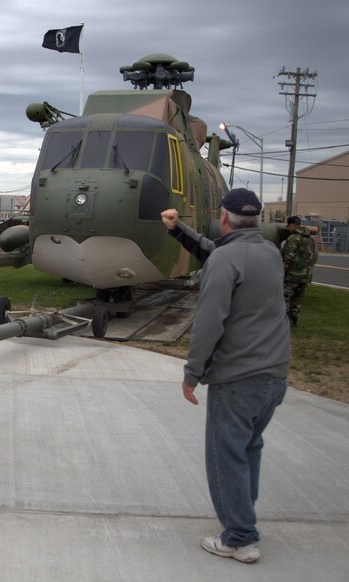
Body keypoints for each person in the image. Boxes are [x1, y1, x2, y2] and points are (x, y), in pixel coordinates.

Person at [163, 189, 292, 564]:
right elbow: (220, 255)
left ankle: (239, 537)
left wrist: (192, 373)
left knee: (225, 455)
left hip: (238, 377)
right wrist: (179, 230)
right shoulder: (269, 253)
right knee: (248, 449)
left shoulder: (227, 258)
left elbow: (208, 322)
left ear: (223, 217)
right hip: (274, 375)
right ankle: (242, 518)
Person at [281, 215, 318, 327]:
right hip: (304, 276)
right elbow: (312, 258)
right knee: (297, 301)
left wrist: (282, 271)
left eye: (289, 226)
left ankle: (285, 323)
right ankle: (294, 321)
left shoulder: (293, 238)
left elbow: (289, 257)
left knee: (285, 298)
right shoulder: (309, 239)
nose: (288, 229)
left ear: (292, 225)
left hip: (292, 276)